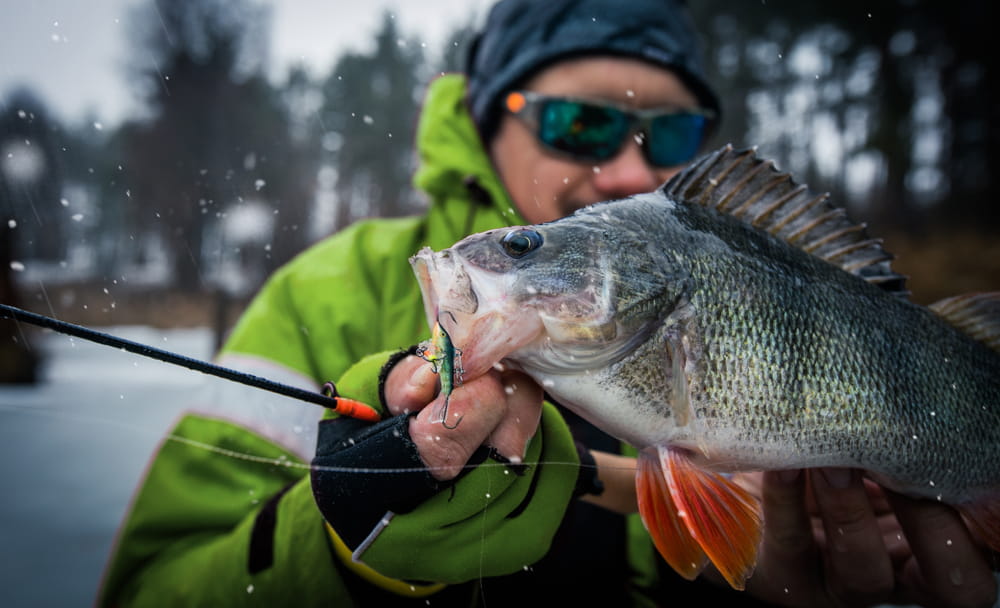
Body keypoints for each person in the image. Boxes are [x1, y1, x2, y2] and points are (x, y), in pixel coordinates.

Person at [97, 0, 998, 606]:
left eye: (672, 131)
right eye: (582, 122)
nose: (631, 166)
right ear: (488, 120)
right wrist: (344, 542)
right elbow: (151, 590)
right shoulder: (324, 295)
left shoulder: (723, 262)